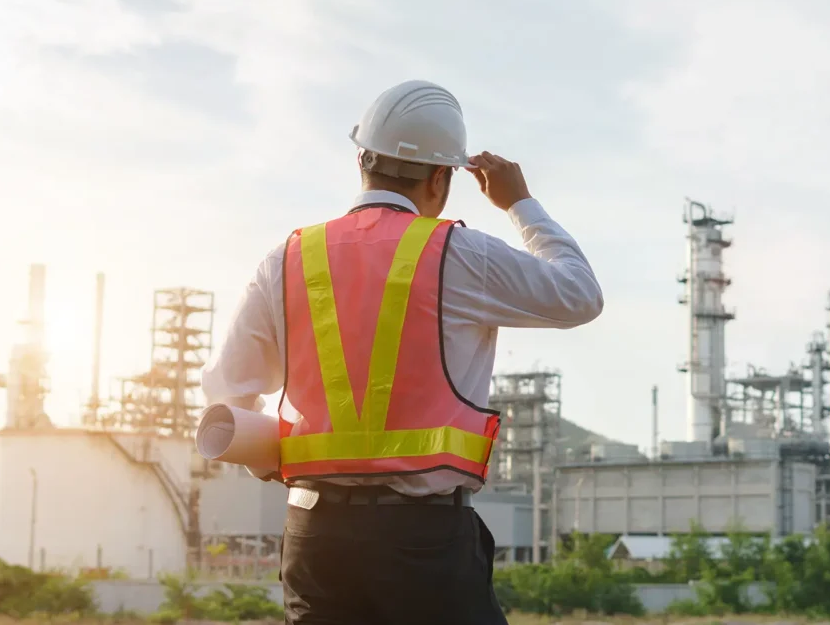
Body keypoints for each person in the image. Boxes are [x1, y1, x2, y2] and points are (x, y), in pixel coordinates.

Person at [200, 80, 604, 623]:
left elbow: (227, 397)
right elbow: (579, 296)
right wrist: (520, 203)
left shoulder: (287, 258)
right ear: (442, 177)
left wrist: (284, 466)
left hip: (316, 539)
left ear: (362, 159)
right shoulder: (460, 254)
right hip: (425, 543)